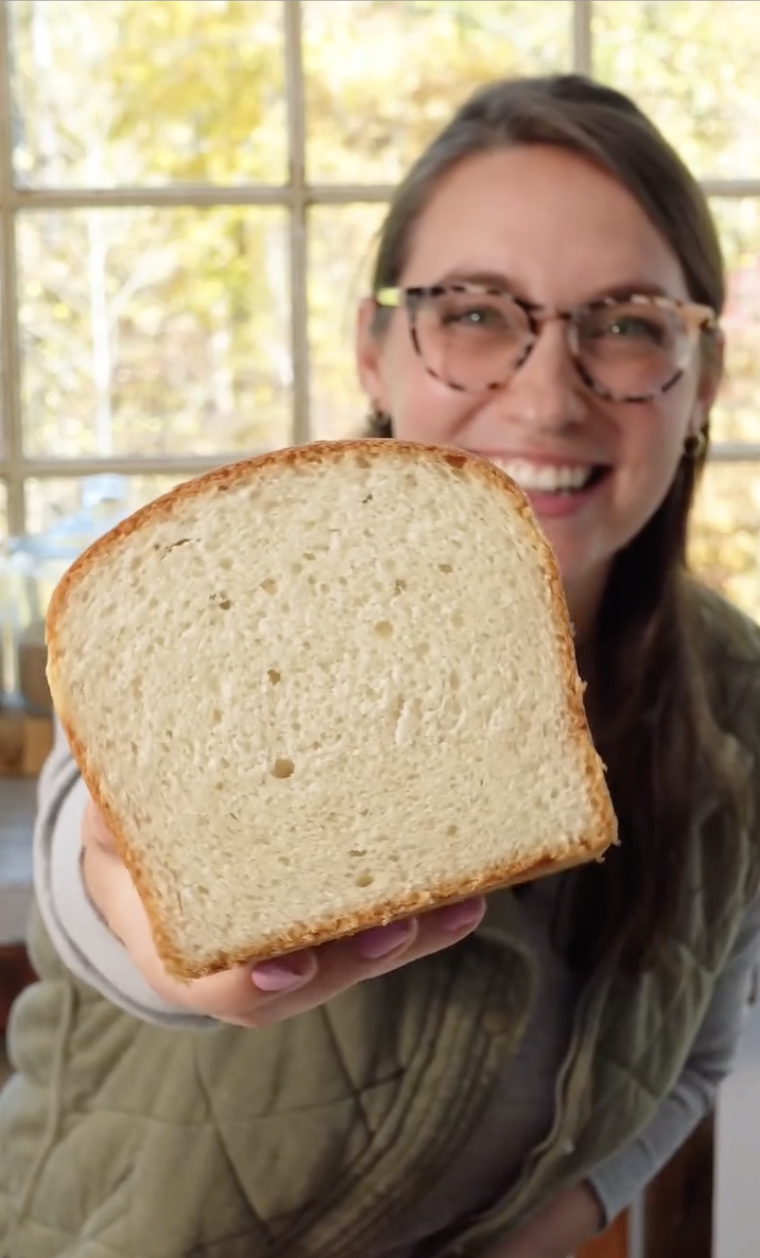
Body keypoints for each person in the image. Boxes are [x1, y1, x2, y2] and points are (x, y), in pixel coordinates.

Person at [2, 72, 760, 1258]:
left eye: (624, 322)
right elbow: (83, 862)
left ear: (702, 374)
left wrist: (542, 1231)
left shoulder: (740, 698)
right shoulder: (229, 589)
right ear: (374, 347)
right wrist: (142, 915)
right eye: (472, 312)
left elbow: (699, 1051)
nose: (547, 393)